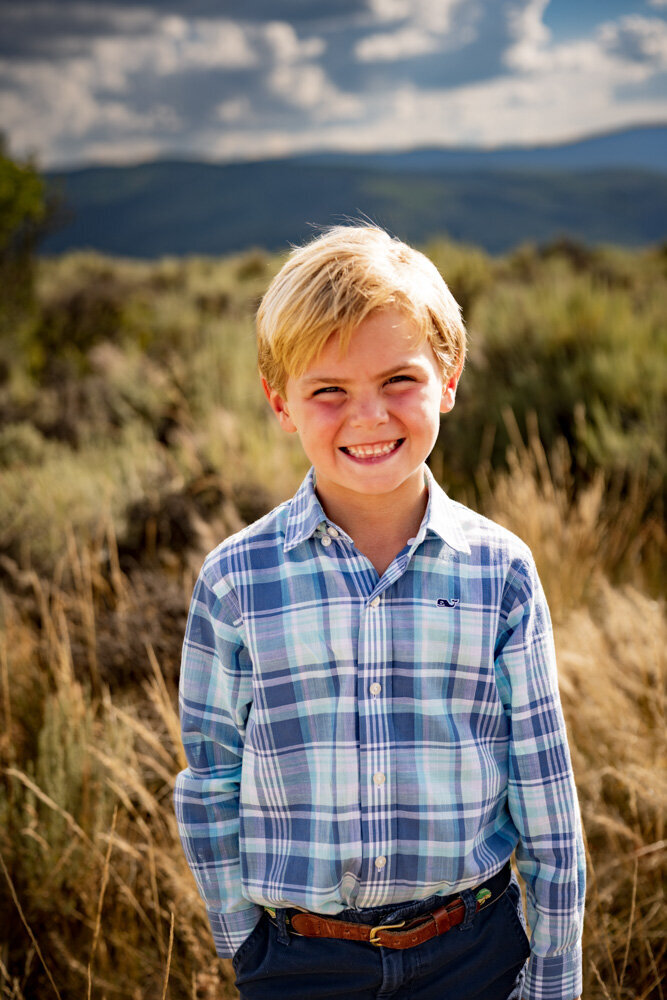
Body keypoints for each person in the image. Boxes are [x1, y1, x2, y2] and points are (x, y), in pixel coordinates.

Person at [174, 224, 585, 1000]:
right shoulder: (237, 579)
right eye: (328, 390)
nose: (368, 417)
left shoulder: (499, 572)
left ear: (448, 377)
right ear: (280, 401)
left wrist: (553, 975)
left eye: (399, 380)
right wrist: (241, 941)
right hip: (302, 961)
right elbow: (210, 777)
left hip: (473, 950)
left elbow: (543, 787)